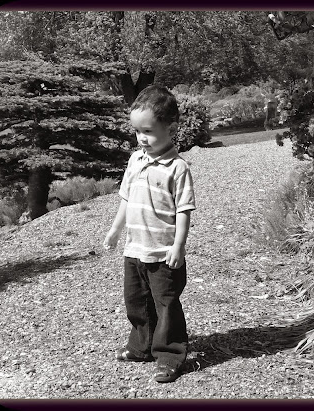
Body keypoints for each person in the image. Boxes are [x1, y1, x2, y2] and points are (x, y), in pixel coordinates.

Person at [103, 85, 195, 383]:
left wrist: (178, 245)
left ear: (170, 128)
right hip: (135, 249)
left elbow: (184, 210)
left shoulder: (177, 168)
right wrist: (116, 230)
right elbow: (126, 199)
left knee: (165, 303)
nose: (141, 138)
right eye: (137, 132)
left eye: (148, 132)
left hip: (163, 251)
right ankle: (141, 346)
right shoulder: (135, 160)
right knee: (137, 301)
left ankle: (169, 354)